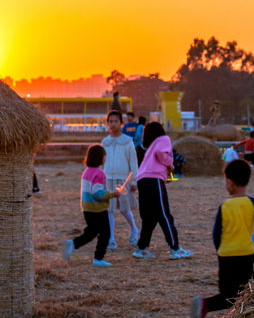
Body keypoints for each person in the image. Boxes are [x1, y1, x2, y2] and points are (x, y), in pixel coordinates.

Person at [190, 159, 254, 318]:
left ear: (230, 183)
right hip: (247, 255)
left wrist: (220, 251)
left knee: (229, 295)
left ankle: (205, 304)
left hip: (226, 256)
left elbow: (216, 233)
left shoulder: (224, 205)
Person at [134, 121, 193, 260]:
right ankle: (175, 249)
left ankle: (141, 249)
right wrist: (171, 165)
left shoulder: (150, 147)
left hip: (143, 180)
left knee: (149, 218)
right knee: (164, 214)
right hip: (153, 180)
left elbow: (156, 167)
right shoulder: (164, 139)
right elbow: (162, 155)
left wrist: (167, 176)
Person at [61, 144, 122, 267]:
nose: (105, 158)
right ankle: (98, 259)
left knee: (92, 232)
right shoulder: (100, 173)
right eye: (105, 156)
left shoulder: (87, 171)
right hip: (97, 208)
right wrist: (112, 194)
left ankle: (73, 244)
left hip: (87, 208)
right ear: (100, 157)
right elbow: (97, 192)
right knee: (105, 233)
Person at [102, 110, 140, 249]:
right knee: (109, 209)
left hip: (123, 180)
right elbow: (103, 161)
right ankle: (111, 238)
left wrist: (134, 181)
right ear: (107, 124)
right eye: (110, 121)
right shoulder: (105, 142)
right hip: (108, 179)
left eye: (116, 121)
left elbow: (133, 163)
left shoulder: (127, 141)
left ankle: (134, 229)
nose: (113, 124)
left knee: (124, 209)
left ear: (121, 124)